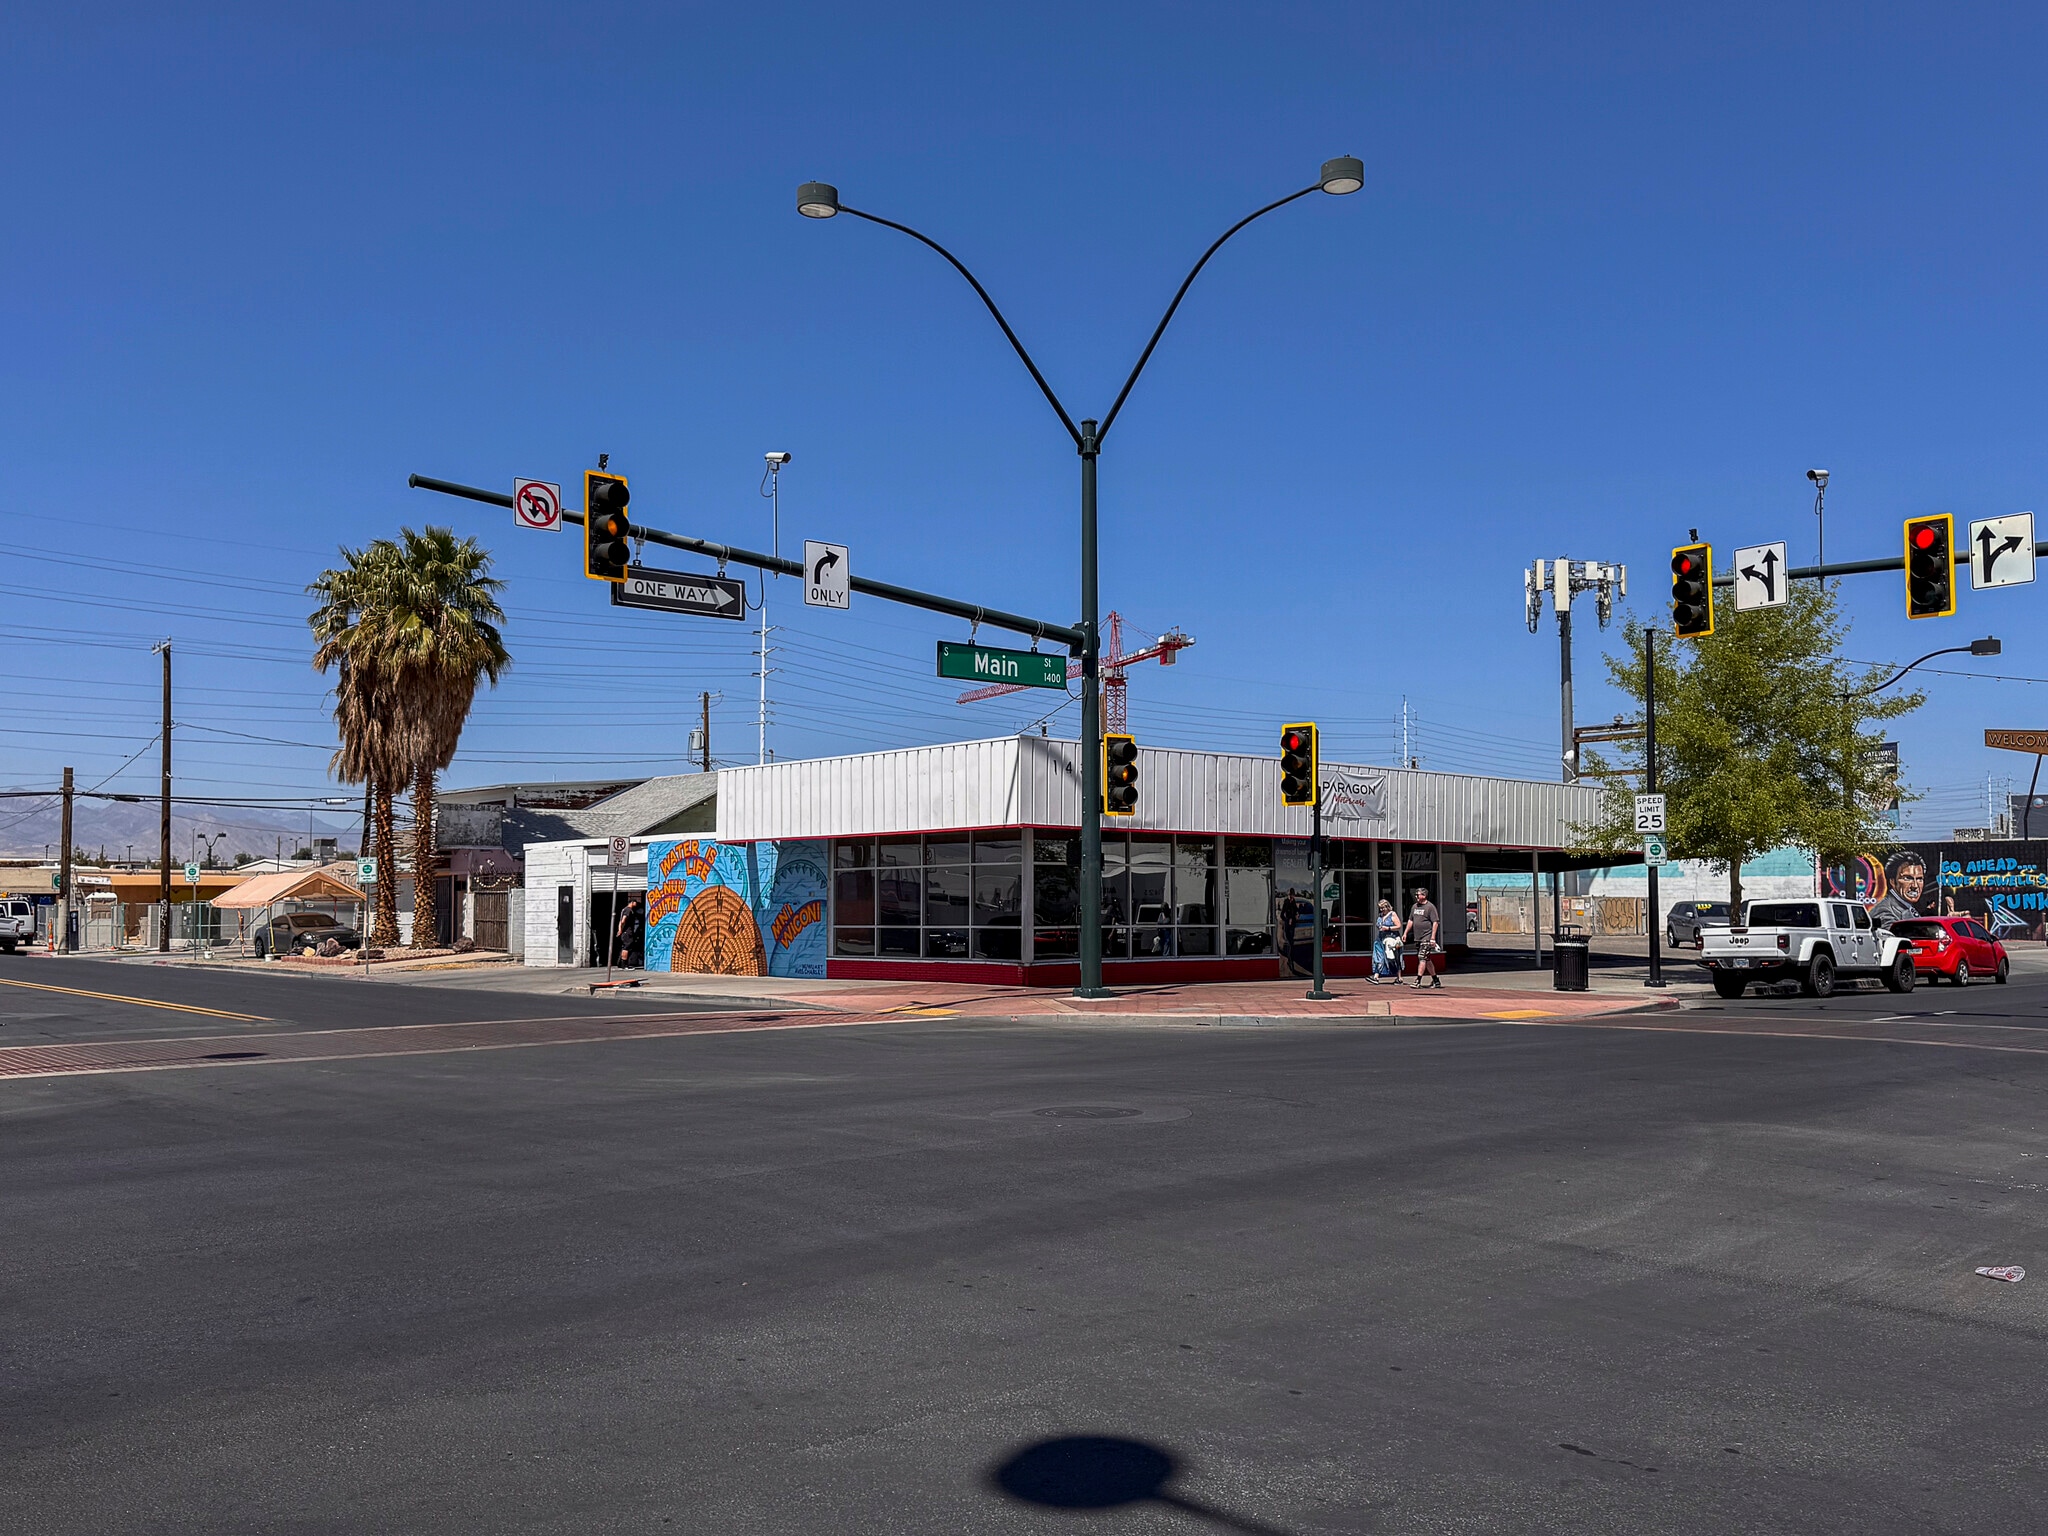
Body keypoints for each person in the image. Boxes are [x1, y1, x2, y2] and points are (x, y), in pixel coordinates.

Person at [1869, 851, 1929, 927]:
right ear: (1892, 881)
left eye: (1919, 879)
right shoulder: (1884, 911)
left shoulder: (1907, 906)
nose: (1915, 886)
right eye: (1907, 878)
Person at [1405, 884, 1441, 989]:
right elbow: (1410, 920)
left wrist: (1432, 938)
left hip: (1427, 937)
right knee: (1427, 959)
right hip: (1418, 937)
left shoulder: (1430, 907)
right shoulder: (1414, 907)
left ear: (1424, 895)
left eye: (1418, 895)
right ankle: (1436, 980)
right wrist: (1405, 932)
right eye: (1415, 895)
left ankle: (1418, 980)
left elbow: (1435, 922)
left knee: (1422, 958)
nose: (1416, 896)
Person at [1373, 897, 1402, 984]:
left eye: (1383, 908)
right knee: (1379, 957)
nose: (1381, 910)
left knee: (1394, 958)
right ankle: (1376, 977)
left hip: (1392, 939)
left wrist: (1388, 928)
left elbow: (1399, 926)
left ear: (1387, 907)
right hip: (1381, 939)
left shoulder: (1392, 914)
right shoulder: (1380, 916)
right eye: (1380, 908)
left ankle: (1399, 977)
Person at [614, 894, 645, 969]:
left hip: (625, 932)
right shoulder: (628, 910)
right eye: (635, 902)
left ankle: (620, 963)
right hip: (627, 932)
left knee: (626, 947)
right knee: (627, 947)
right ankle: (624, 965)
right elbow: (623, 920)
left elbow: (620, 921)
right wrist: (621, 929)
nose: (636, 904)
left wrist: (620, 930)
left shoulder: (624, 909)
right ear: (632, 902)